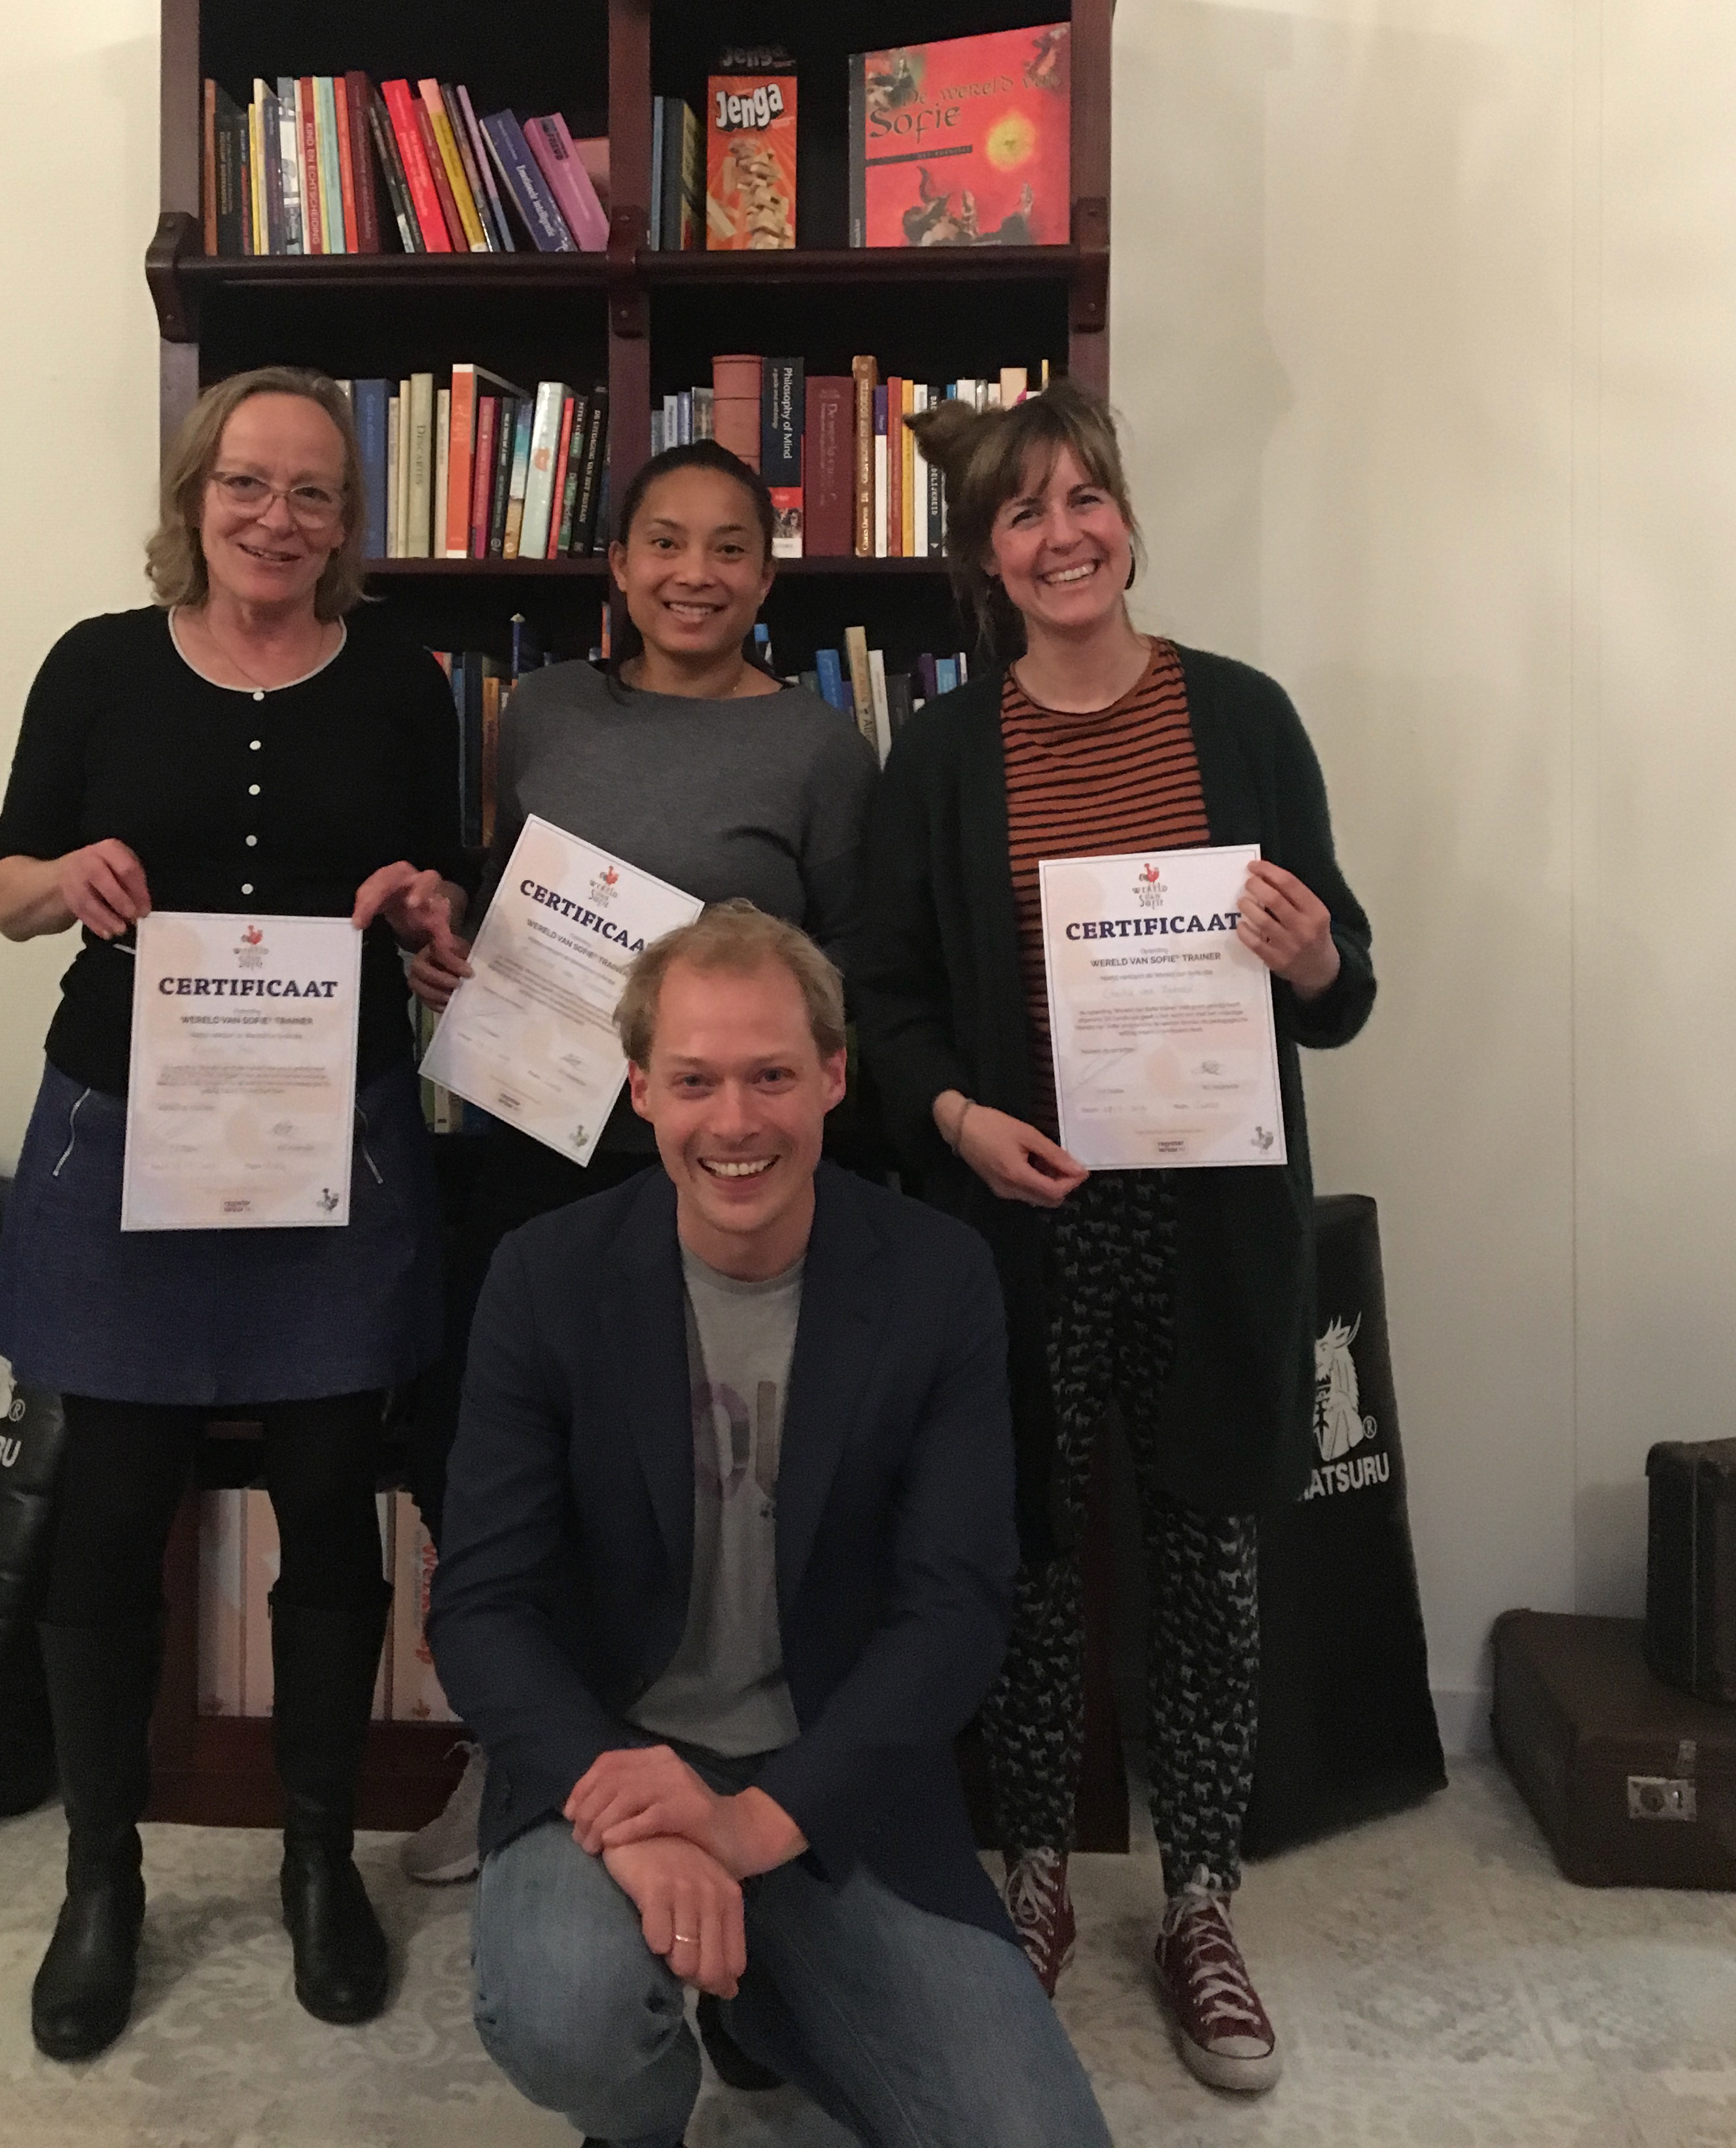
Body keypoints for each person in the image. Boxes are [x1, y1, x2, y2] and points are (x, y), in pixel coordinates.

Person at [854, 380, 1376, 2095]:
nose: (1063, 533)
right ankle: (1034, 1874)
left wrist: (1312, 958)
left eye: (1087, 499)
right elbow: (886, 1000)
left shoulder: (1243, 718)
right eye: (1024, 512)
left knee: (1209, 1549)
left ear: (1129, 525)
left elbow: (1343, 985)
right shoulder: (943, 756)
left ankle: (1201, 1899)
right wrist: (954, 1119)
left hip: (1212, 1221)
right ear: (986, 559)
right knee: (1025, 1554)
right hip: (1024, 1218)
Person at [427, 903, 1114, 2148]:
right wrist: (628, 1814)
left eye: (773, 1077)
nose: (735, 1122)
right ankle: (642, 2122)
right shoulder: (542, 1275)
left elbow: (957, 1610)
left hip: (836, 1771)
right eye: (695, 1081)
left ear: (835, 1078)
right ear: (641, 1089)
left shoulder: (940, 1278)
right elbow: (481, 1607)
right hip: (612, 1760)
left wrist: (754, 1825)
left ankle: (766, 1996)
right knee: (566, 2016)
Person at [0, 367, 463, 2061]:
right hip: (131, 1136)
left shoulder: (401, 682)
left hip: (333, 1139)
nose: (277, 516)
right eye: (248, 482)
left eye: (314, 492)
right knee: (114, 1507)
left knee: (332, 1498)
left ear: (347, 523)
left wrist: (428, 911)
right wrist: (67, 881)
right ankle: (100, 1879)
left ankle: (317, 1861)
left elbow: (441, 896)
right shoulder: (96, 665)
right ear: (196, 494)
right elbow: (5, 886)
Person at [397, 439, 877, 1886]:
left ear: (768, 576)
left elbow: (847, 964)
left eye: (730, 547)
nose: (695, 574)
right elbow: (502, 900)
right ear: (617, 565)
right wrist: (456, 958)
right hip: (537, 1144)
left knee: (693, 1467)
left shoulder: (820, 749)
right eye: (665, 542)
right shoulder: (543, 712)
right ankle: (522, 1752)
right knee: (493, 1451)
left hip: (723, 1167)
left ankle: (724, 1745)